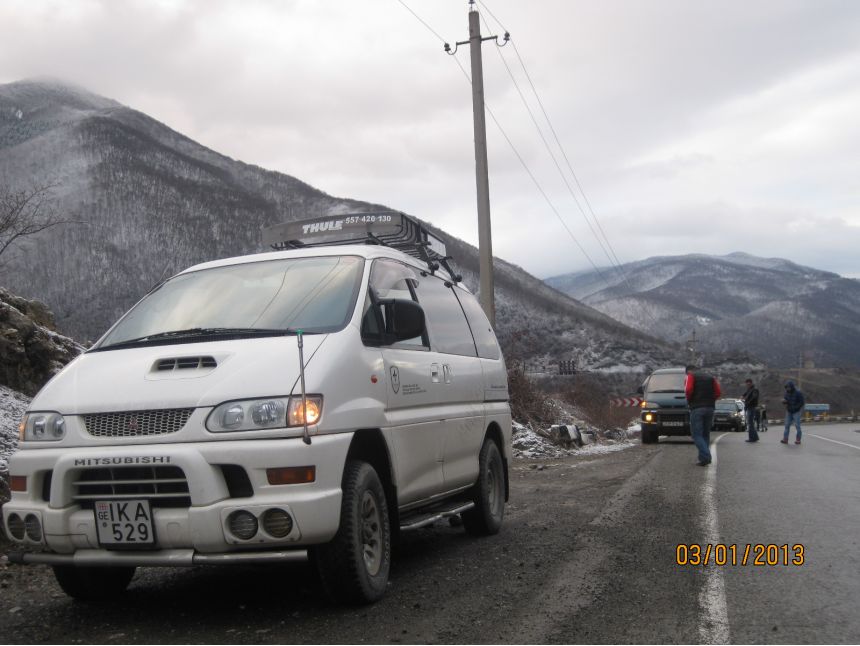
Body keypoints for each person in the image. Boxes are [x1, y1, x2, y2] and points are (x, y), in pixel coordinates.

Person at [685, 365, 722, 466]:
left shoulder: (691, 376)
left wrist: (689, 400)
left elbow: (688, 390)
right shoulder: (711, 377)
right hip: (710, 408)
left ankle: (706, 456)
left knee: (696, 434)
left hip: (697, 408)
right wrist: (711, 400)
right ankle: (702, 459)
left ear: (688, 371)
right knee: (705, 434)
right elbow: (718, 392)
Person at [781, 380, 805, 445]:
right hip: (789, 411)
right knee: (787, 425)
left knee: (797, 426)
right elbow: (786, 400)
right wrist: (784, 401)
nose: (787, 389)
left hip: (796, 411)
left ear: (791, 387)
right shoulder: (786, 393)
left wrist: (796, 408)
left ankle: (798, 440)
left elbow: (802, 402)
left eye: (788, 387)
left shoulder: (798, 393)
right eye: (786, 387)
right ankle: (785, 439)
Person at [741, 378, 760, 442]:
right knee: (750, 423)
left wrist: (748, 402)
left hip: (751, 407)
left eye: (749, 383)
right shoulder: (749, 389)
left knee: (750, 423)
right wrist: (742, 396)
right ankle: (755, 437)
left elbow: (754, 397)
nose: (748, 384)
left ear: (751, 383)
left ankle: (752, 438)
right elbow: (745, 394)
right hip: (749, 407)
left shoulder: (754, 389)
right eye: (747, 383)